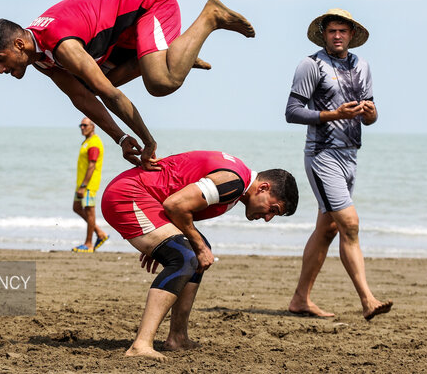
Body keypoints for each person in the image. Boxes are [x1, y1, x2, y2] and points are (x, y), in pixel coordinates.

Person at [0, 0, 255, 170]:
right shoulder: (39, 57)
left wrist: (148, 140)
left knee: (162, 83)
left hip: (149, 5)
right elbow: (82, 98)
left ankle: (211, 16)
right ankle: (170, 55)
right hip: (119, 36)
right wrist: (121, 139)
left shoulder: (62, 46)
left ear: (19, 44)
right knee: (89, 85)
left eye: (1, 60)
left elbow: (110, 94)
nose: (1, 70)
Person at [100, 150, 299, 361]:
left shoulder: (237, 182)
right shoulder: (234, 182)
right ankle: (141, 344)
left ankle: (177, 337)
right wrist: (192, 246)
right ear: (264, 188)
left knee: (194, 249)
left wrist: (163, 238)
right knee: (186, 256)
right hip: (127, 195)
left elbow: (175, 199)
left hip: (147, 199)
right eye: (273, 209)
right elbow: (175, 205)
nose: (268, 218)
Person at [285, 9, 392, 320]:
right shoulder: (311, 65)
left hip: (351, 155)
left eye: (342, 31)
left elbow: (370, 115)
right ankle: (368, 300)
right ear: (324, 34)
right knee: (350, 224)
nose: (337, 36)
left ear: (351, 35)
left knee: (328, 229)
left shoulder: (363, 66)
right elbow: (292, 111)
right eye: (332, 31)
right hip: (322, 155)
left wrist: (370, 113)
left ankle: (300, 299)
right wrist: (333, 115)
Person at [72, 117, 109, 253]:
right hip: (81, 184)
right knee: (76, 207)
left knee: (89, 211)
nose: (82, 127)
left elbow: (92, 165)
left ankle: (88, 244)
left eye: (85, 125)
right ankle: (100, 233)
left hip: (88, 185)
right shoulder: (87, 142)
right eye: (80, 125)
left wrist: (84, 185)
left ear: (93, 126)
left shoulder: (94, 143)